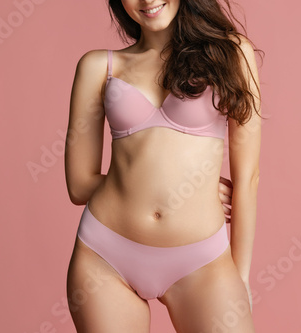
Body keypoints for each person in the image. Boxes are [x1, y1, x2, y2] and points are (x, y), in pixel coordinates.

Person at [64, 0, 263, 331]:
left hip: (203, 262)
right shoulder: (100, 66)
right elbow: (78, 185)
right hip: (105, 255)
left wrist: (241, 277)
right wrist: (160, 181)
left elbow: (248, 179)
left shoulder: (232, 54)